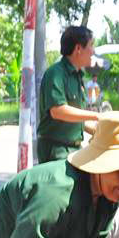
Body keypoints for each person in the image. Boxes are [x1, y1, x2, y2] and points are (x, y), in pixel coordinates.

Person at [37, 26, 101, 163]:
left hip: (73, 150)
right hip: (56, 152)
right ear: (78, 49)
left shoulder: (78, 76)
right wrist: (97, 116)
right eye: (91, 45)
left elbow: (76, 120)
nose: (93, 51)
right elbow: (58, 111)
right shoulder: (56, 73)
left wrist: (102, 131)